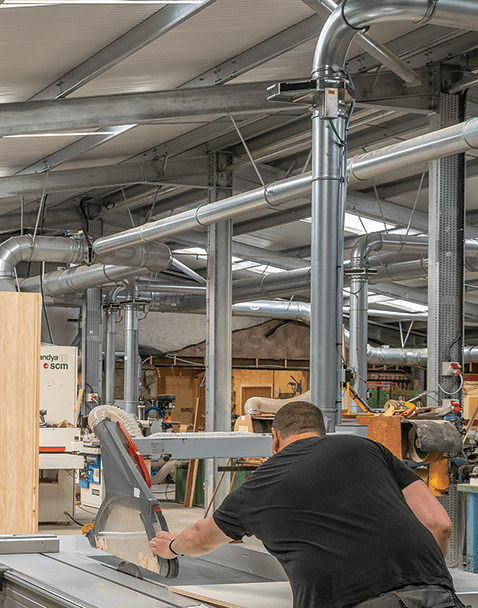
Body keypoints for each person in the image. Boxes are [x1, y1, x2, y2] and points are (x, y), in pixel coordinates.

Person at [149, 401, 461, 608]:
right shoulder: (368, 448)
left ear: (274, 438)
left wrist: (171, 546)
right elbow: (439, 524)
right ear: (322, 433)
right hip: (436, 597)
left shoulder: (256, 486)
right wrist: (425, 577)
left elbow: (201, 538)